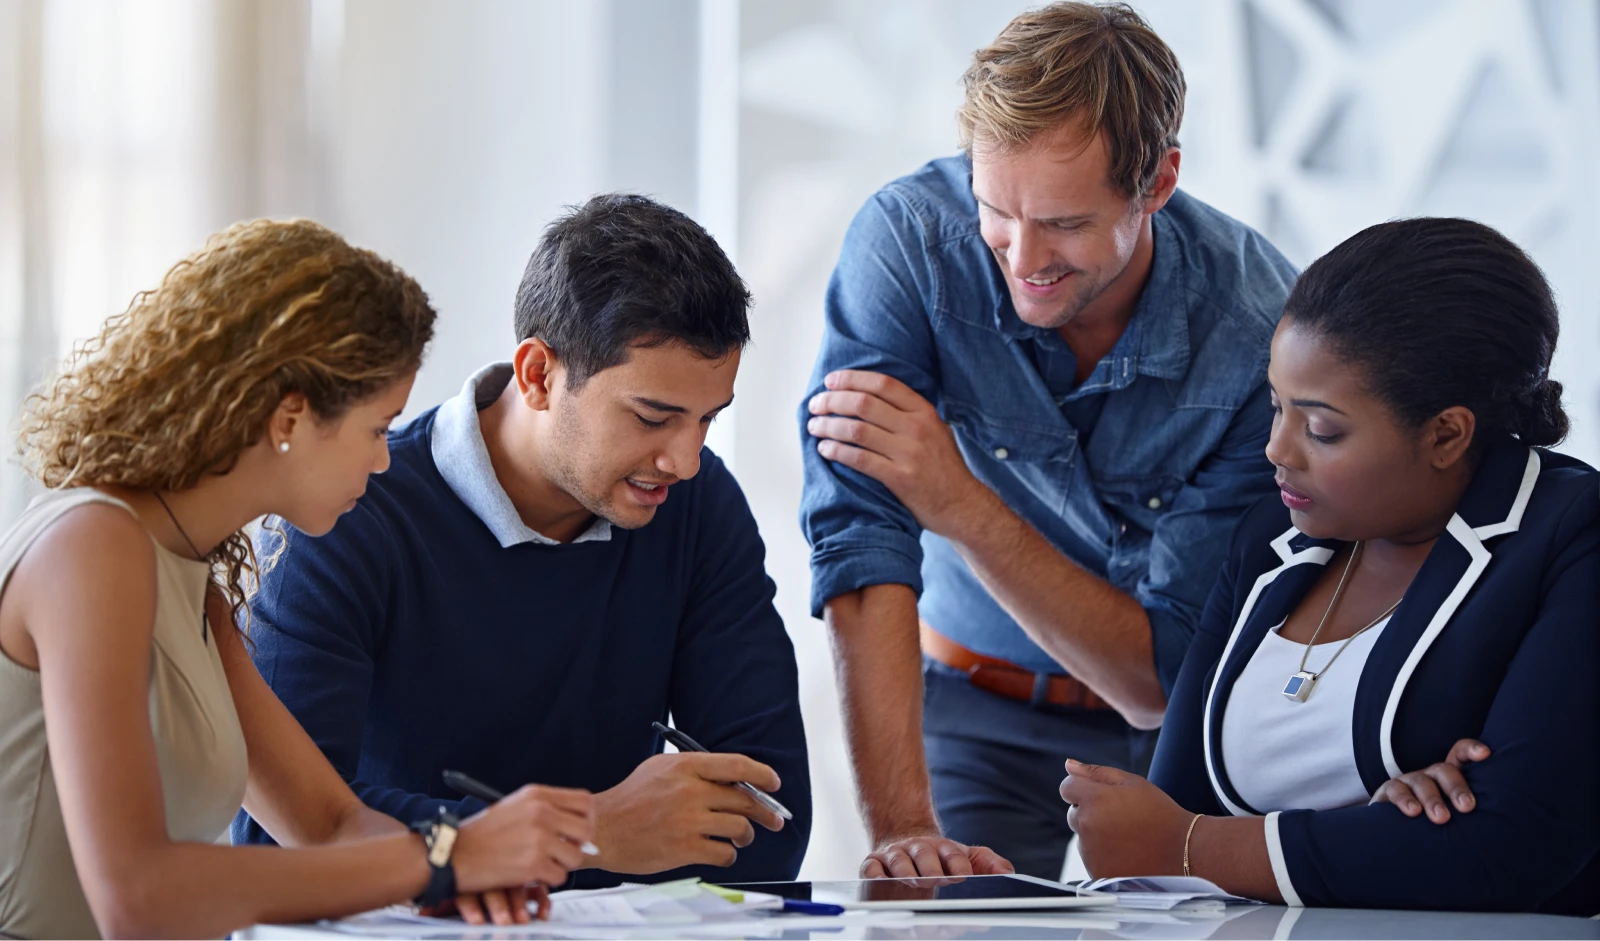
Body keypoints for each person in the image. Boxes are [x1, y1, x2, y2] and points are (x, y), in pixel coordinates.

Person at [799, 1, 1295, 878]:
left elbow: (1154, 683)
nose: (1022, 255)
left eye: (1064, 223)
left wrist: (960, 503)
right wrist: (902, 832)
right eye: (996, 209)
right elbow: (858, 536)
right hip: (968, 699)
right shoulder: (909, 243)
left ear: (1158, 183)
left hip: (1175, 732)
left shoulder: (1257, 336)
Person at [0, 219, 597, 941]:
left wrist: (460, 873)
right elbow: (139, 895)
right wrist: (442, 858)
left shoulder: (193, 583)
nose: (384, 462)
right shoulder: (93, 547)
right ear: (291, 416)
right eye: (379, 427)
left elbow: (328, 822)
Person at [232, 194, 811, 892]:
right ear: (538, 374)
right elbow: (284, 836)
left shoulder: (697, 505)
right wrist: (594, 832)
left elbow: (770, 820)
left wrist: (525, 850)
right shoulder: (347, 514)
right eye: (653, 416)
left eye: (707, 420)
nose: (684, 459)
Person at [1059, 217, 1600, 915]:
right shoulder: (1269, 538)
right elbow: (1167, 808)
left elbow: (1513, 844)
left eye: (1321, 428)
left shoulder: (1567, 535)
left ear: (1446, 433)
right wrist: (1368, 835)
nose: (1277, 449)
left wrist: (1195, 847)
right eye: (1277, 405)